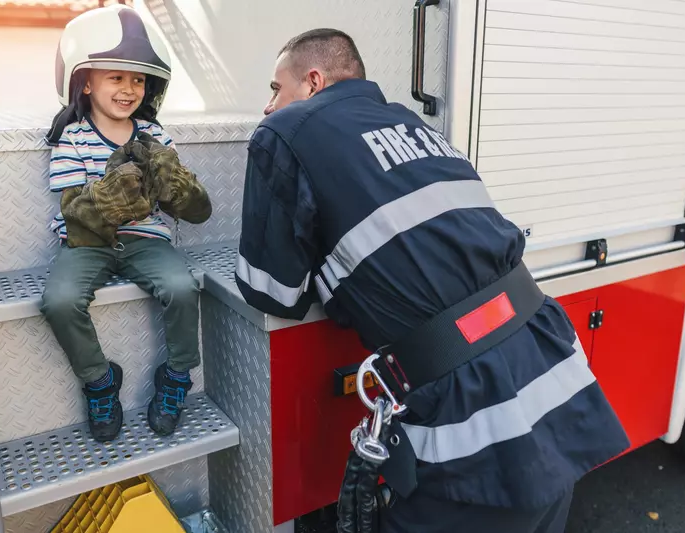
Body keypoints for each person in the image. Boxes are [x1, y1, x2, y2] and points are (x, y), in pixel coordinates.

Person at [234, 28, 631, 533]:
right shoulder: (415, 125)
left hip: (474, 421)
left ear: (312, 82)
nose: (270, 106)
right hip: (549, 360)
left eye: (275, 88)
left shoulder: (287, 132)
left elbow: (271, 291)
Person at [40, 4, 211, 443]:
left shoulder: (157, 137)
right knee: (59, 301)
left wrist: (180, 191)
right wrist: (107, 200)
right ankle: (99, 382)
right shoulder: (72, 136)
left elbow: (188, 206)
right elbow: (70, 210)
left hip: (146, 240)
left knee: (181, 286)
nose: (129, 88)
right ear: (86, 80)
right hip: (86, 245)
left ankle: (175, 377)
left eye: (138, 79)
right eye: (116, 77)